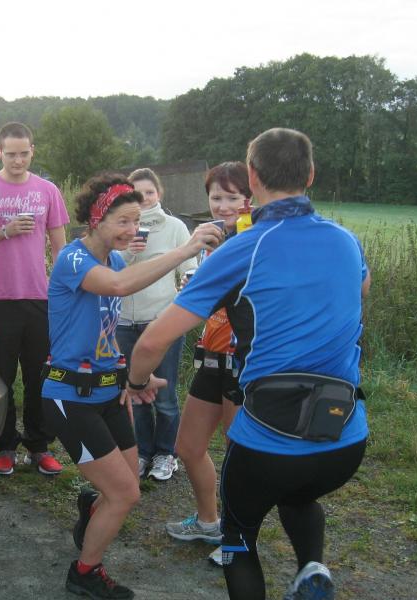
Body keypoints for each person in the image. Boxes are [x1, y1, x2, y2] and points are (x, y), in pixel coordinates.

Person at [128, 128, 371, 600]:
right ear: (310, 175)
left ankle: (252, 547)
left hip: (267, 441)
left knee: (238, 538)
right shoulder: (346, 240)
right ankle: (312, 568)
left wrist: (138, 381)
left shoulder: (244, 247)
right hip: (343, 438)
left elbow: (154, 339)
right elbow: (361, 290)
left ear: (253, 178)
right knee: (300, 493)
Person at [42, 174, 220, 599]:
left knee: (129, 490)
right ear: (96, 220)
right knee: (122, 495)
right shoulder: (73, 259)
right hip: (71, 397)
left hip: (109, 393)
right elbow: (119, 287)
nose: (132, 230)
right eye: (123, 221)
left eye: (136, 221)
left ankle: (92, 505)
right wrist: (187, 249)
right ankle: (84, 572)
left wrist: (128, 377)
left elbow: (106, 330)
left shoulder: (116, 261)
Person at [0, 122, 70, 476]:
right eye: (11, 154)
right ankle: (4, 447)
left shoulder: (48, 191)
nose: (18, 161)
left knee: (40, 376)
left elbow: (60, 247)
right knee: (1, 377)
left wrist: (62, 291)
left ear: (32, 151)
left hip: (39, 298)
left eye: (24, 153)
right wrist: (4, 231)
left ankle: (39, 446)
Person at [163, 161, 251, 559]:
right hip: (211, 354)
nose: (223, 205)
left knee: (238, 454)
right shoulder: (213, 237)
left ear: (250, 198)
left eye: (233, 197)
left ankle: (238, 535)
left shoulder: (252, 238)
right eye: (216, 197)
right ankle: (208, 521)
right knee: (188, 446)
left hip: (241, 359)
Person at [116, 168, 197, 481]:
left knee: (164, 394)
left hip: (162, 321)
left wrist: (187, 282)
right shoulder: (119, 226)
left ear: (159, 194)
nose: (144, 198)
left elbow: (190, 266)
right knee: (135, 392)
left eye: (149, 192)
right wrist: (128, 252)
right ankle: (142, 452)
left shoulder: (175, 227)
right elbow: (108, 270)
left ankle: (166, 453)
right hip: (124, 322)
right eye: (137, 194)